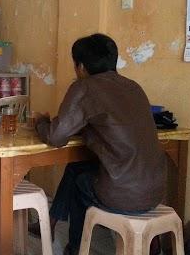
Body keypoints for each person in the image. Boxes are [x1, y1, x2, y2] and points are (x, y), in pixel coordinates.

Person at [33, 34, 167, 255]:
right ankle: (50, 221)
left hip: (123, 195)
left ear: (81, 66)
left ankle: (74, 249)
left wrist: (40, 122)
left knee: (78, 182)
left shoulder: (84, 87)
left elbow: (56, 137)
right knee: (77, 167)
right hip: (155, 191)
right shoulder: (134, 87)